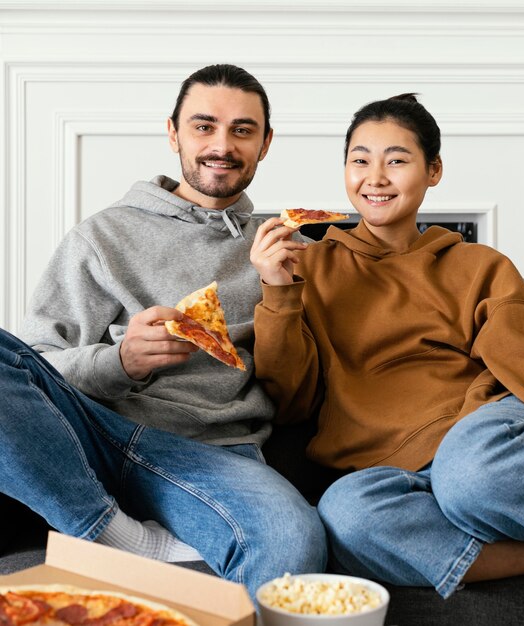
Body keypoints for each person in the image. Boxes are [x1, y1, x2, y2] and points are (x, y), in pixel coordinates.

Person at [250, 93, 524, 599]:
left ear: (434, 171)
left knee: (469, 475)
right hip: (383, 468)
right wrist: (277, 293)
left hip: (479, 436)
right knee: (343, 515)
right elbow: (291, 400)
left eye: (397, 160)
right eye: (359, 160)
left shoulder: (477, 265)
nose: (375, 177)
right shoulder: (308, 269)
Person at [0, 64, 327, 599]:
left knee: (293, 540)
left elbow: (299, 386)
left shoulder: (283, 252)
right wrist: (120, 362)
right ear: (173, 132)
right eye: (204, 126)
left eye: (242, 130)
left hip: (220, 454)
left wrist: (280, 289)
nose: (221, 145)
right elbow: (33, 363)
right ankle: (112, 532)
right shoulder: (101, 236)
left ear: (266, 144)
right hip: (95, 434)